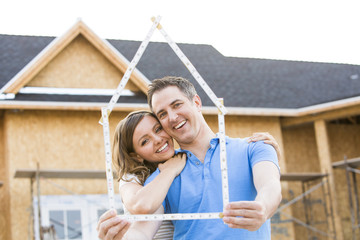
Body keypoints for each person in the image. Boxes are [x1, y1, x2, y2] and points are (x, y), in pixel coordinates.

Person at [97, 76, 282, 239]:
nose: (172, 117)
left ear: (197, 103)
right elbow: (143, 230)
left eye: (177, 105)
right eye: (162, 114)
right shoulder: (162, 176)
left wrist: (263, 208)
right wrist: (123, 238)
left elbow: (270, 186)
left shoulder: (255, 147)